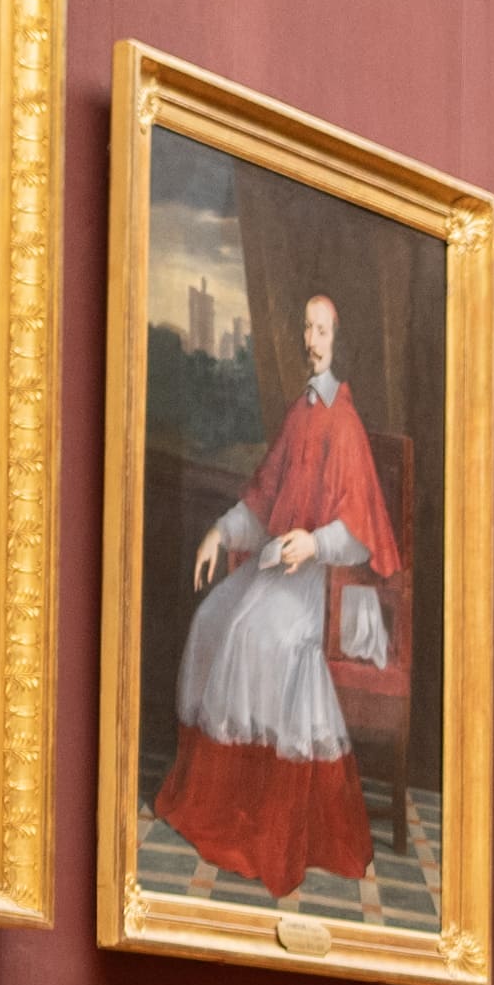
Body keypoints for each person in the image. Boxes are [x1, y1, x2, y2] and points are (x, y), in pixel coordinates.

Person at [166, 283, 410, 896]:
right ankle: (229, 805)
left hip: (326, 583)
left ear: (337, 341)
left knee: (256, 635)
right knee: (213, 619)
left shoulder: (344, 422)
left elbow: (359, 533)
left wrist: (315, 543)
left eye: (321, 330)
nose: (311, 340)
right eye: (306, 328)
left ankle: (264, 819)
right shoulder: (299, 413)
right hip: (279, 564)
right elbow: (264, 499)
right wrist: (219, 533)